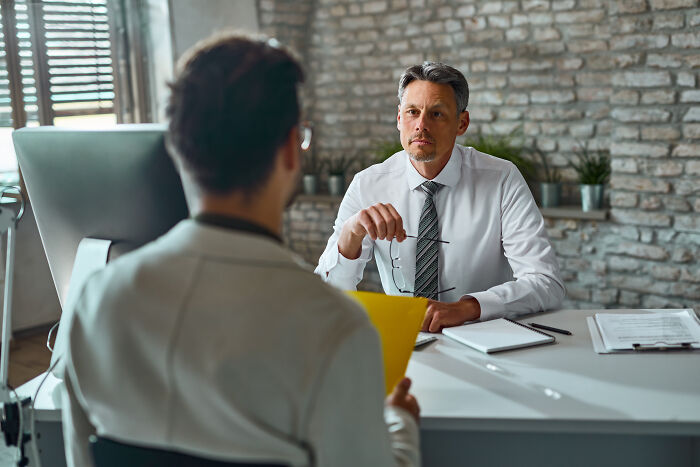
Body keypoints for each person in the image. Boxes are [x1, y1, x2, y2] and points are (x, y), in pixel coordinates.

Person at [59, 33, 420, 467]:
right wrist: (398, 425)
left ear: (177, 149)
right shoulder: (334, 328)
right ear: (290, 149)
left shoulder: (95, 301)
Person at [316, 62, 565, 332]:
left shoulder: (502, 179)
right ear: (399, 118)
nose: (421, 125)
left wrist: (467, 308)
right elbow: (327, 296)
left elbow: (545, 281)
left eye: (436, 114)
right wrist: (350, 235)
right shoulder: (368, 185)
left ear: (462, 123)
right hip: (406, 343)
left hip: (485, 339)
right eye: (412, 112)